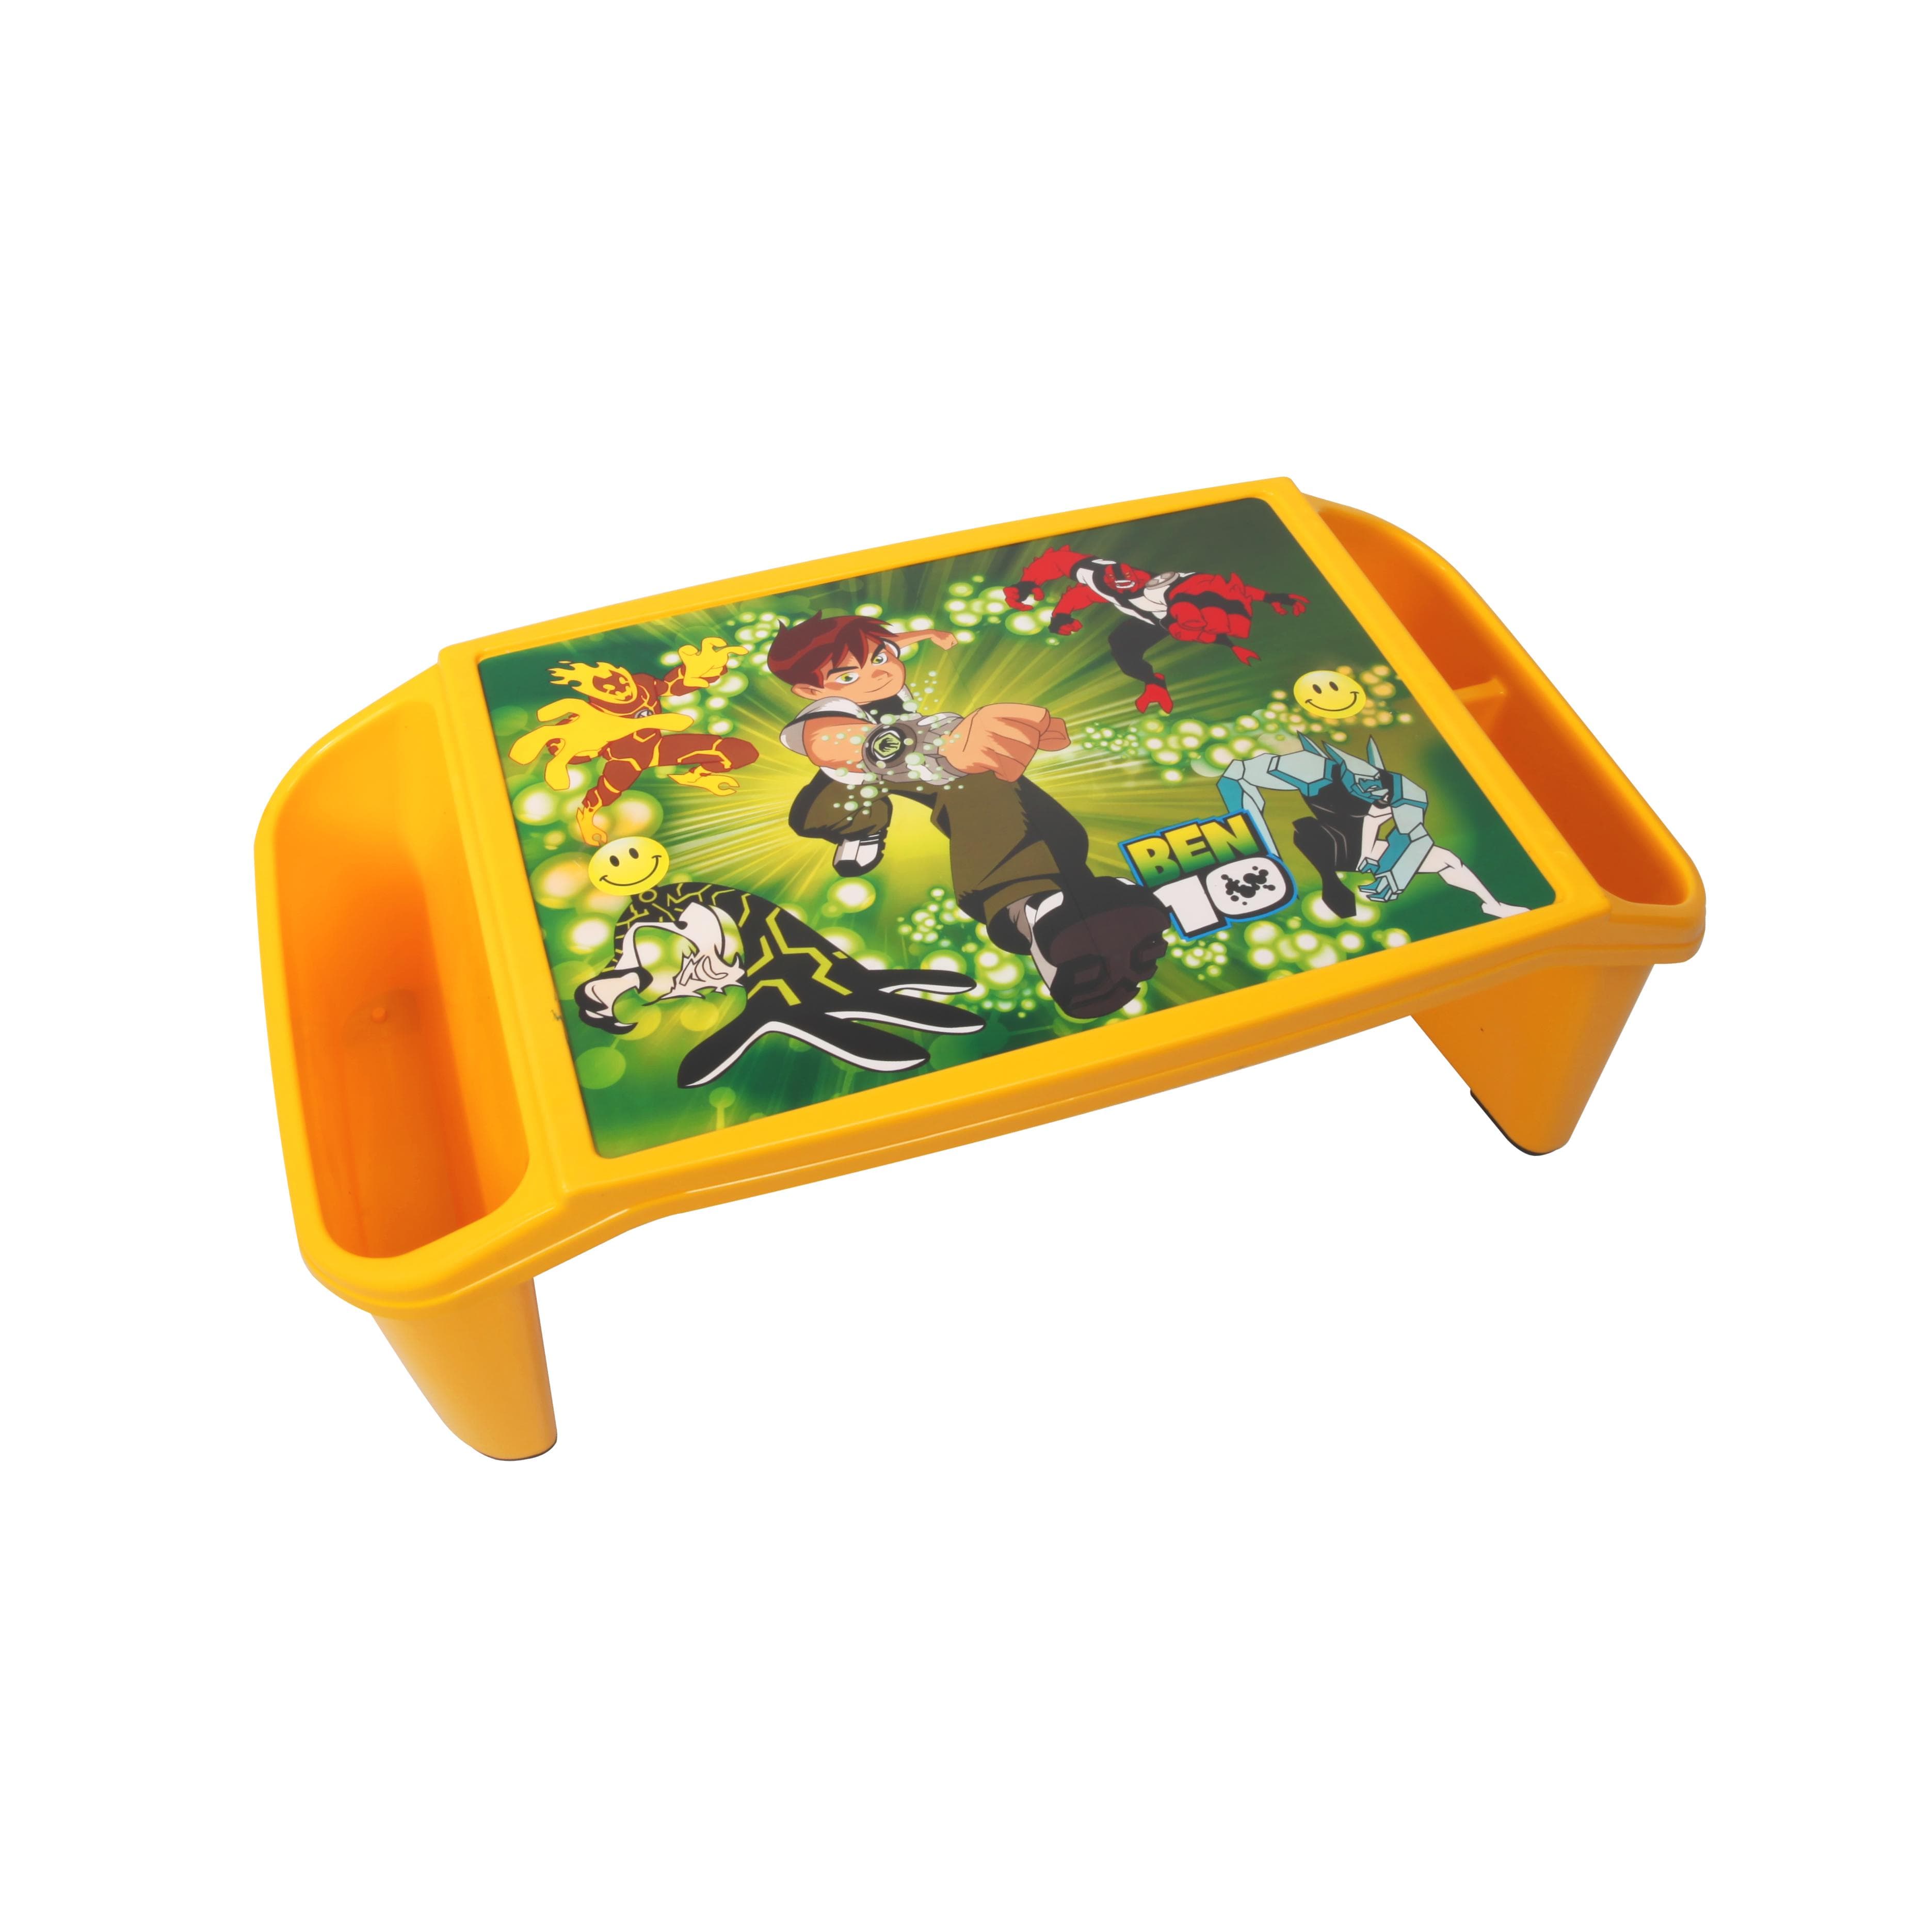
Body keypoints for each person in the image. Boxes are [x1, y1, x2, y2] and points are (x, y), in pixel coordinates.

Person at [768, 613, 1169, 1020]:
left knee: (991, 782)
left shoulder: (878, 661)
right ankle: (1019, 906)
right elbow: (831, 742)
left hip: (923, 764)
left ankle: (1060, 905)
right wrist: (934, 746)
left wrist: (928, 634)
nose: (878, 674)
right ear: (812, 690)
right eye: (848, 677)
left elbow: (889, 643)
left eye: (883, 658)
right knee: (820, 814)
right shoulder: (825, 712)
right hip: (858, 780)